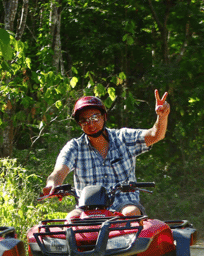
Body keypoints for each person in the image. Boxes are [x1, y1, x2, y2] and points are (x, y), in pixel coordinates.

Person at [42, 91, 170, 220]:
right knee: (71, 219)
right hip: (87, 208)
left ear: (104, 117)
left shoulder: (124, 138)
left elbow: (155, 135)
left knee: (130, 213)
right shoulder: (74, 147)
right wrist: (53, 185)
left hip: (123, 204)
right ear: (79, 124)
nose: (90, 124)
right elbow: (58, 172)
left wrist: (162, 116)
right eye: (84, 121)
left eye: (94, 118)